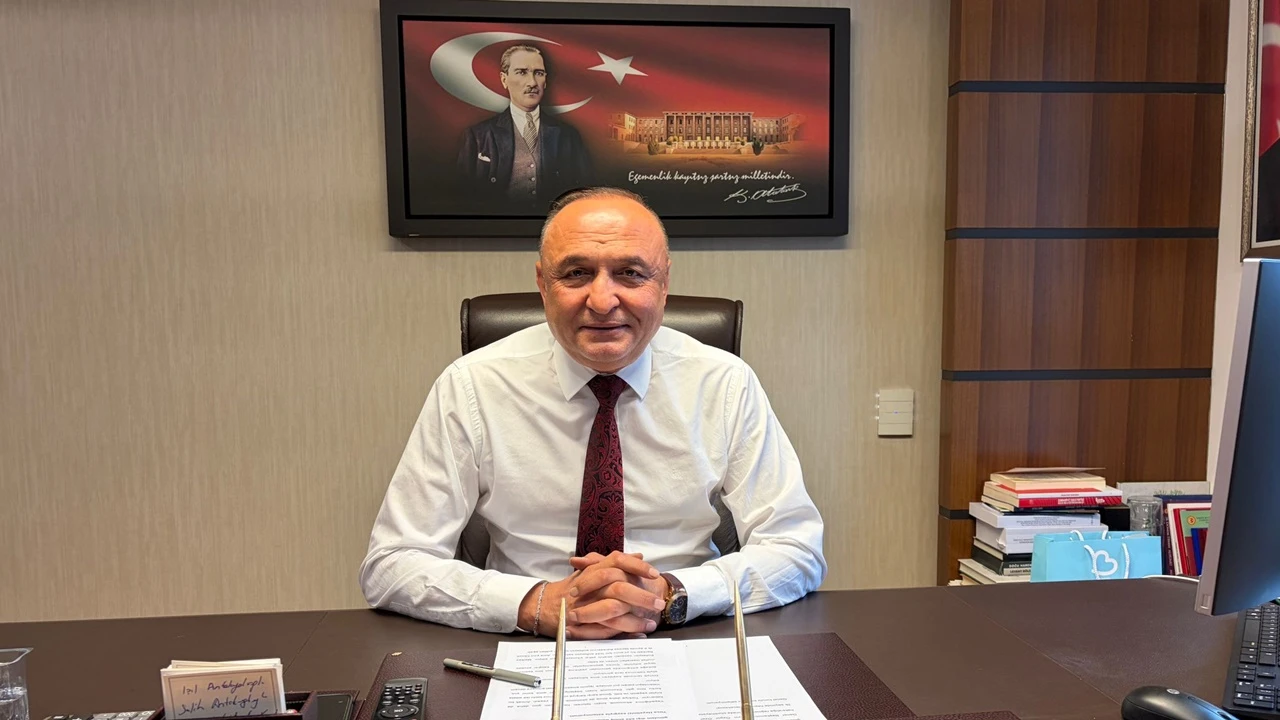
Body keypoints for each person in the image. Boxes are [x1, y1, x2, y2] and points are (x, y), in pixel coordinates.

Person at [359, 187, 826, 639]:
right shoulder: (472, 386)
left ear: (664, 284)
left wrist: (672, 594)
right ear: (543, 284)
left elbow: (797, 548)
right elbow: (392, 564)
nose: (602, 301)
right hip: (527, 638)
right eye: (577, 273)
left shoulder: (724, 383)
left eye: (631, 273)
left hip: (686, 631)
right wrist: (534, 603)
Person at [455, 44, 593, 213]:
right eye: (522, 72)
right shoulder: (477, 136)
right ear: (504, 79)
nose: (532, 82)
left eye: (539, 73)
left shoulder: (568, 136)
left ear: (545, 81)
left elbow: (583, 197)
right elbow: (462, 198)